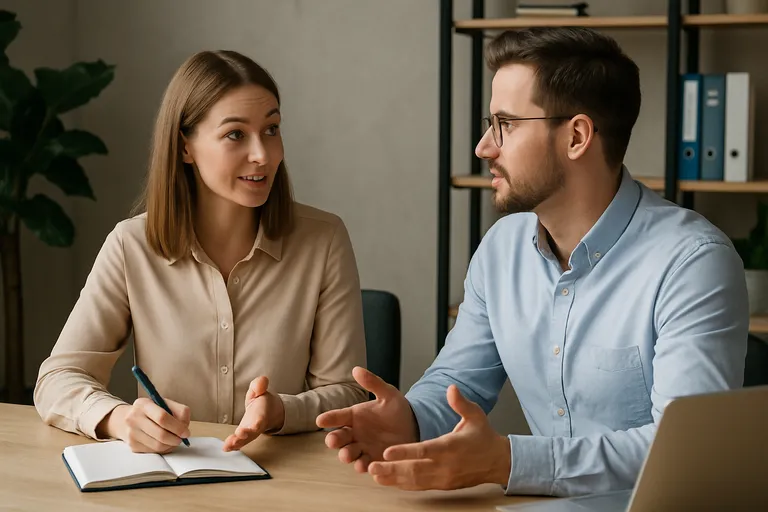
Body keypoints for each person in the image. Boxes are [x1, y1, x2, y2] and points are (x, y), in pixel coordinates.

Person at [317, 27, 748, 497]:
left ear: (577, 136)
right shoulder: (502, 247)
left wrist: (508, 461)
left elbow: (680, 454)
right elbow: (459, 380)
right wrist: (410, 419)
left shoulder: (692, 264)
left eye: (506, 124)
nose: (484, 146)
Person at [34, 50, 368, 454]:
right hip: (170, 479)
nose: (263, 155)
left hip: (285, 479)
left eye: (272, 129)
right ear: (185, 147)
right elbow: (59, 378)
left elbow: (348, 393)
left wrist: (281, 410)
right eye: (235, 134)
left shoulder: (324, 239)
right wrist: (119, 419)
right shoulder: (130, 246)